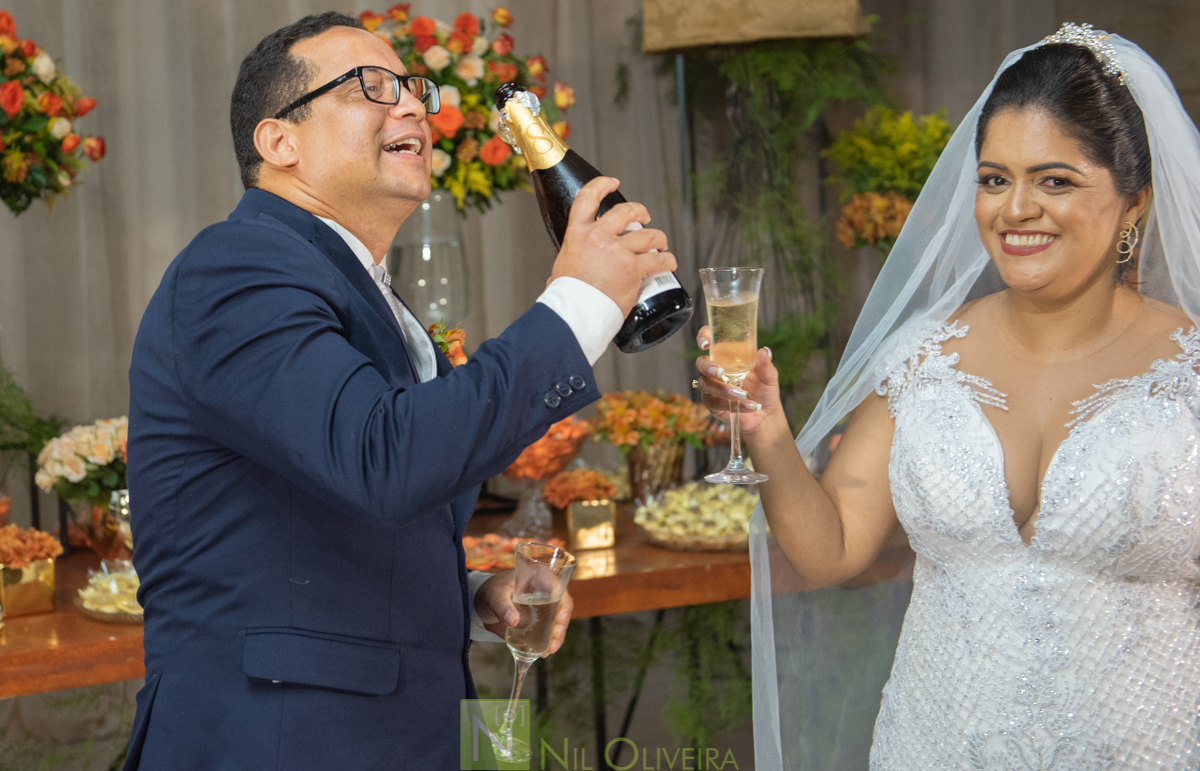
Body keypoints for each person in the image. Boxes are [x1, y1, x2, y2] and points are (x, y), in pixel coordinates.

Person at [124, 12, 675, 769]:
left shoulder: (359, 287)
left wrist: (475, 593)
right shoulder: (236, 267)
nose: (415, 105)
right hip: (280, 742)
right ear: (279, 141)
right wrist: (579, 299)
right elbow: (383, 457)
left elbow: (358, 494)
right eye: (370, 88)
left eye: (414, 89)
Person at [695, 23, 1200, 770]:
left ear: (1133, 205)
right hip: (934, 745)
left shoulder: (1189, 373)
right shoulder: (923, 358)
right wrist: (766, 430)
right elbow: (830, 546)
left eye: (1054, 180)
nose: (1015, 209)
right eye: (995, 179)